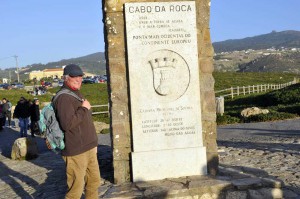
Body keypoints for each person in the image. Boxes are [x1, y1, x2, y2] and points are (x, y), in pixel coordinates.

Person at [53, 64, 101, 198]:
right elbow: (67, 124)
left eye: (80, 76)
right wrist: (84, 108)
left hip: (89, 148)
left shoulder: (75, 93)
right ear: (65, 78)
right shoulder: (63, 98)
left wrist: (94, 144)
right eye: (74, 77)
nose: (79, 79)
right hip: (75, 151)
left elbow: (85, 123)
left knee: (94, 182)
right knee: (75, 190)